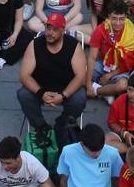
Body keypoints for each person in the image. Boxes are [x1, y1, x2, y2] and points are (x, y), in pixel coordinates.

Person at [18, 11, 87, 140]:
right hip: (41, 87)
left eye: (55, 29)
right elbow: (24, 75)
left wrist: (63, 95)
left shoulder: (73, 46)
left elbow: (81, 77)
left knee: (80, 98)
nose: (50, 33)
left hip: (66, 89)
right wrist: (41, 93)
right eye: (48, 28)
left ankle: (61, 123)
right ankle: (41, 126)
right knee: (23, 94)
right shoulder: (35, 45)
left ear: (63, 30)